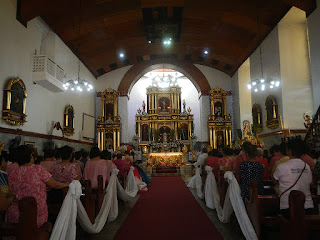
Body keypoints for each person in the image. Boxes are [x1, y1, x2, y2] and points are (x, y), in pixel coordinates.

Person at [6, 145, 69, 227]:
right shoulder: (38, 169)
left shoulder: (13, 173)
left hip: (15, 214)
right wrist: (66, 184)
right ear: (31, 156)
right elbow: (54, 184)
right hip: (35, 213)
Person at [274, 138, 314, 219]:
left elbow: (275, 179)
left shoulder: (281, 166)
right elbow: (310, 183)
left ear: (289, 151)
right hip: (307, 206)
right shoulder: (307, 167)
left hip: (287, 207)